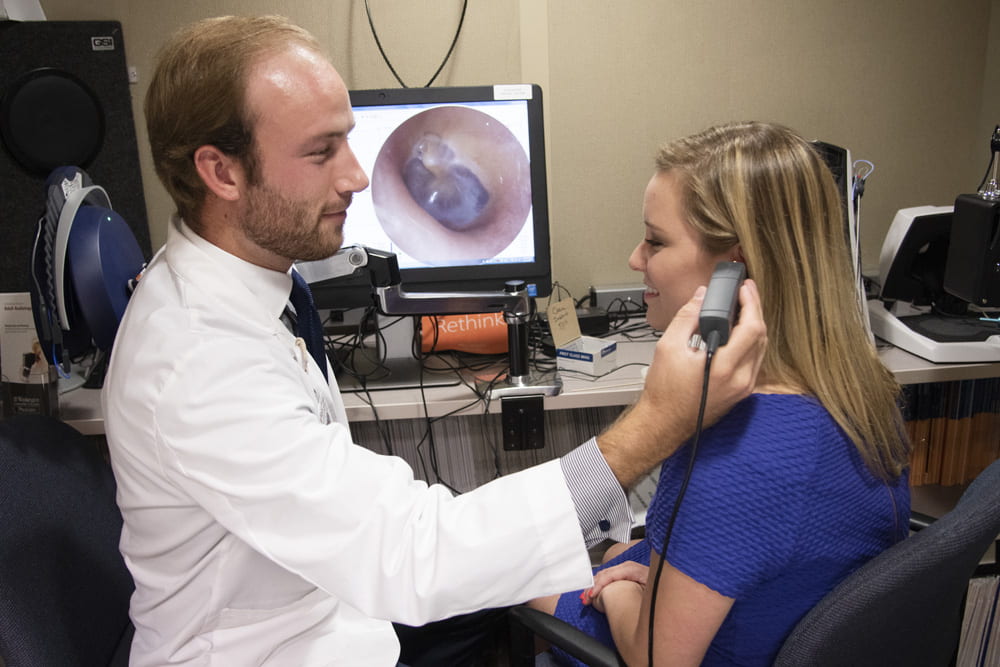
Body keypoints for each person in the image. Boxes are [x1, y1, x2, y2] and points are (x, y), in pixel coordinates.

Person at [102, 16, 766, 667]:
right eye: (320, 151)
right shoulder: (197, 360)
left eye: (348, 141)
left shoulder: (259, 272)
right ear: (221, 172)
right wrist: (657, 423)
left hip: (331, 597)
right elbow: (414, 555)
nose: (357, 177)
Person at [529, 121, 912, 666]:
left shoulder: (734, 452)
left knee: (520, 578)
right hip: (776, 618)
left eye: (655, 241)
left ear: (734, 268)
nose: (636, 259)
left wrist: (619, 592)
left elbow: (656, 661)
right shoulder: (863, 391)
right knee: (616, 549)